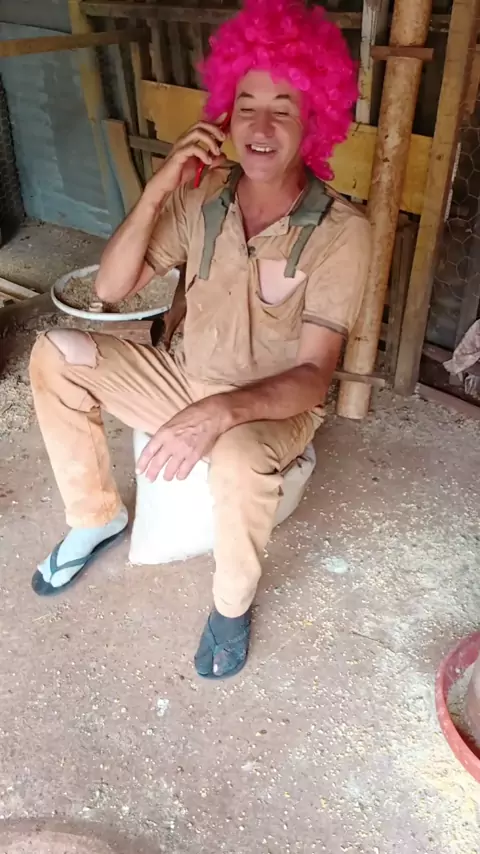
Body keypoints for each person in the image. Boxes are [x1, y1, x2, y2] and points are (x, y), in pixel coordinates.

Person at [29, 0, 371, 680]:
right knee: (55, 354)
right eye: (247, 106)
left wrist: (216, 414)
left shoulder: (341, 231)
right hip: (184, 378)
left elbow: (313, 376)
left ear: (315, 119)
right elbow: (112, 288)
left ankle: (231, 606)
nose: (261, 127)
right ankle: (95, 517)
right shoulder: (206, 195)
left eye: (283, 108)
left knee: (238, 455)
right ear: (224, 116)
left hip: (272, 407)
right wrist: (161, 185)